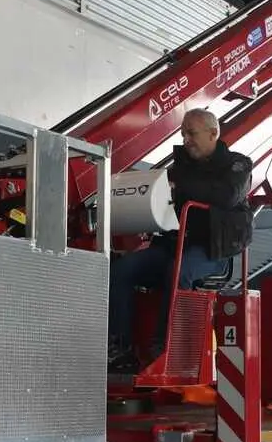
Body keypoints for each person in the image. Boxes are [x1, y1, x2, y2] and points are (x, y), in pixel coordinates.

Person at [107, 107, 254, 372]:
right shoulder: (179, 168)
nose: (186, 140)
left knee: (179, 271)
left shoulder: (238, 165)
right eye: (183, 134)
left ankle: (165, 347)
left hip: (213, 251)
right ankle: (120, 348)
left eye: (192, 134)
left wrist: (181, 187)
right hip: (172, 245)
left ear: (213, 133)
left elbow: (227, 195)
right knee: (120, 270)